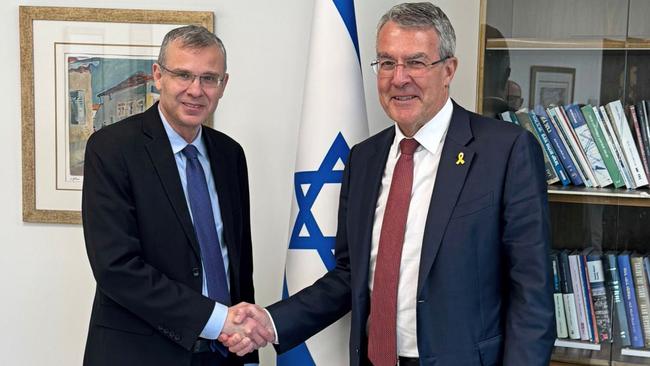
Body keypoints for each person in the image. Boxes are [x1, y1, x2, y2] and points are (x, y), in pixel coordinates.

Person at [223, 2, 555, 366]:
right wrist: (272, 321)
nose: (399, 78)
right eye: (386, 63)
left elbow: (532, 292)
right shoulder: (364, 158)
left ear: (448, 70)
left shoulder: (504, 151)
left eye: (415, 62)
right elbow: (350, 275)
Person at [82, 25, 273, 366]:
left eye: (209, 78)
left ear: (223, 84)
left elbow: (237, 263)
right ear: (158, 75)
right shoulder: (112, 149)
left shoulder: (231, 155)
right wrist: (216, 319)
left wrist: (247, 352)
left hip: (223, 353)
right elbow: (117, 268)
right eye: (183, 74)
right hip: (141, 354)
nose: (195, 90)